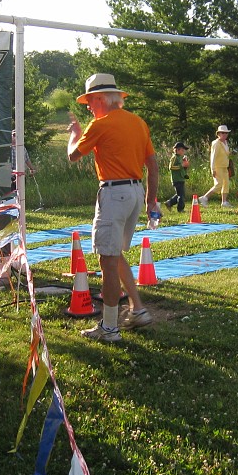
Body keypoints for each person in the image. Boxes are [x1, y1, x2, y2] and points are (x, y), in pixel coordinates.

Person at [67, 73, 159, 342]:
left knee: (107, 260)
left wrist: (75, 135)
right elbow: (152, 165)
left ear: (99, 99)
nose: (87, 106)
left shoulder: (100, 124)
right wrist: (151, 199)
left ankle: (109, 327)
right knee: (114, 253)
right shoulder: (138, 122)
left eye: (89, 101)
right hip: (134, 192)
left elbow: (73, 156)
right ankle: (138, 309)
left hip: (113, 192)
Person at [200, 125, 233, 208]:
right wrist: (213, 169)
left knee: (226, 184)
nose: (225, 134)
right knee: (219, 184)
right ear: (218, 134)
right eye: (223, 133)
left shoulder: (225, 143)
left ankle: (224, 202)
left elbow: (225, 154)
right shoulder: (216, 143)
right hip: (218, 167)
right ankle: (205, 197)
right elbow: (213, 157)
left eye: (226, 133)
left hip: (225, 166)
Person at [164, 142, 190, 212]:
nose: (183, 152)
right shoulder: (174, 157)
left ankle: (169, 202)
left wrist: (185, 166)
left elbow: (182, 168)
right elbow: (171, 167)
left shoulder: (181, 158)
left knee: (180, 194)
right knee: (181, 195)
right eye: (182, 150)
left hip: (181, 178)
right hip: (176, 179)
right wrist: (182, 165)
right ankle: (180, 209)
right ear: (177, 150)